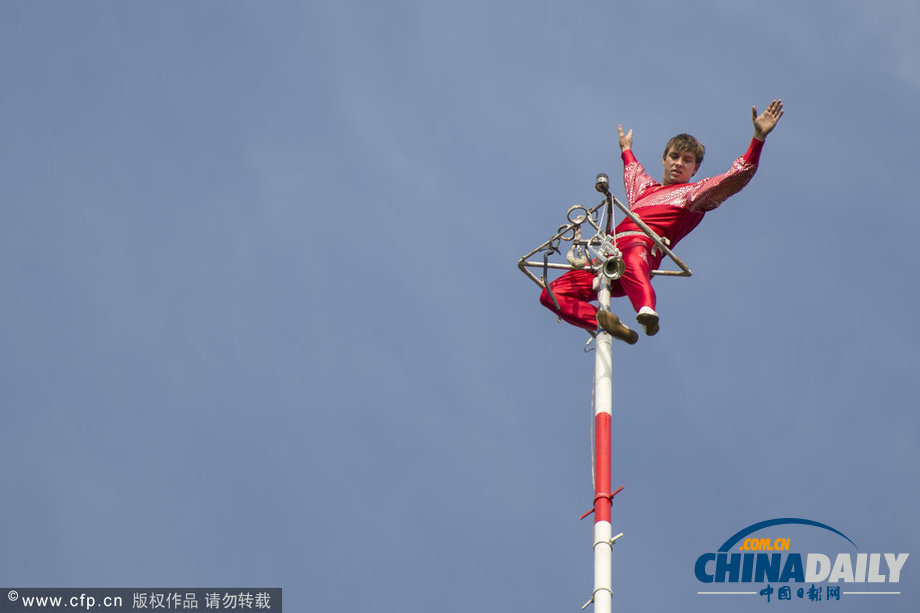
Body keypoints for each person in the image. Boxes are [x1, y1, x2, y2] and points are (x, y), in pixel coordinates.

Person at [539, 100, 784, 344]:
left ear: (695, 168)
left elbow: (734, 179)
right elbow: (633, 171)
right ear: (664, 159)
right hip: (606, 256)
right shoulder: (644, 190)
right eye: (674, 156)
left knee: (633, 255)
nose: (679, 163)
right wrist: (625, 149)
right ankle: (605, 322)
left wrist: (757, 140)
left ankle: (646, 311)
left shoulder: (693, 194)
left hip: (640, 252)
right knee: (551, 294)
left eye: (687, 160)